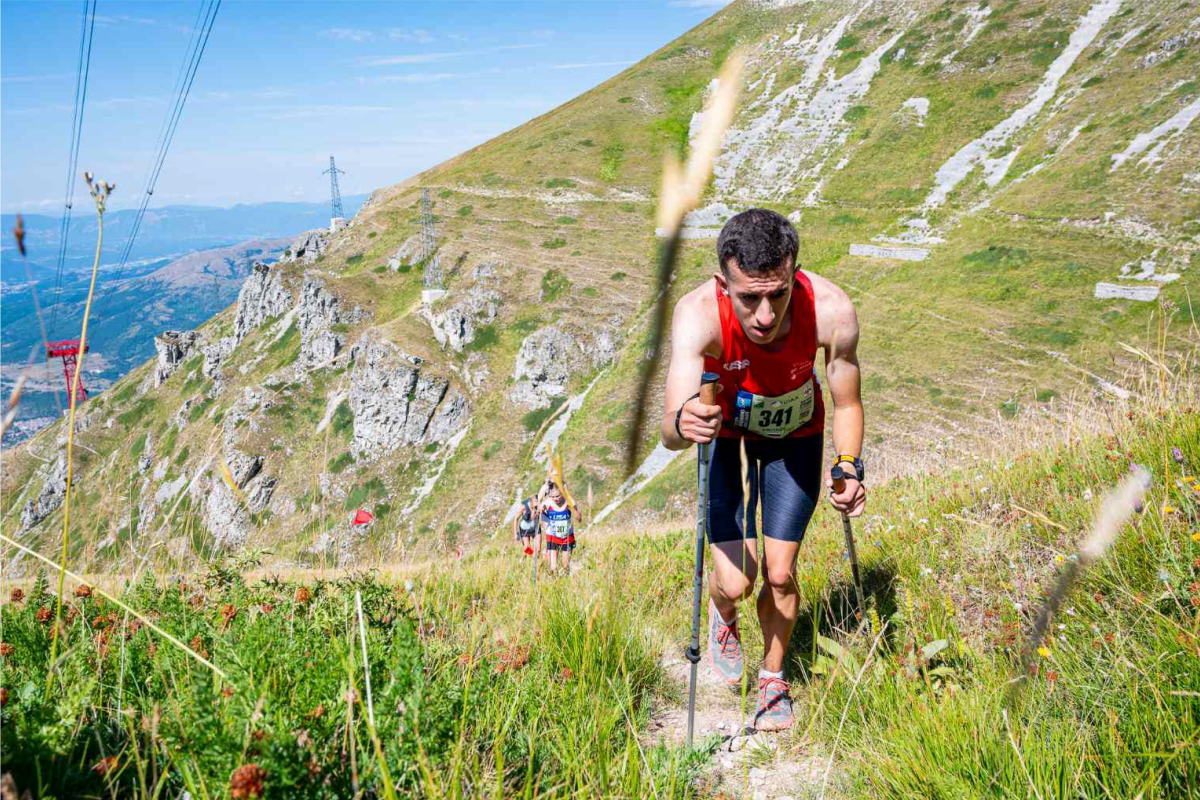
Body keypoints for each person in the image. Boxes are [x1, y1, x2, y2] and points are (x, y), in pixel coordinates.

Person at [660, 208, 865, 732]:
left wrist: (849, 466)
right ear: (722, 283)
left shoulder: (832, 309)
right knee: (735, 582)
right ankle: (724, 614)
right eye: (749, 298)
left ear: (795, 272)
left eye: (779, 293)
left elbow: (846, 401)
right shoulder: (697, 314)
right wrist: (684, 421)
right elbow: (669, 432)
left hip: (795, 434)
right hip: (727, 434)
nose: (766, 315)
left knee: (779, 572)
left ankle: (773, 678)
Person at [540, 479, 580, 575]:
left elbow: (579, 518)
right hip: (552, 537)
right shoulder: (547, 503)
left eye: (557, 496)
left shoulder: (568, 502)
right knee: (553, 567)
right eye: (552, 496)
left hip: (567, 537)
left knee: (565, 565)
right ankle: (555, 581)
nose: (555, 499)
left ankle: (566, 579)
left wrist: (574, 508)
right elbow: (538, 509)